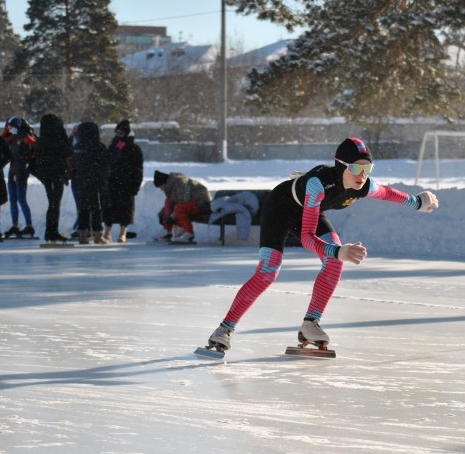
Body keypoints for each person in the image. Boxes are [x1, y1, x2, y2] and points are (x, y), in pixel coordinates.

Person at [203, 137, 439, 354]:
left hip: (310, 211)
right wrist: (338, 251)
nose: (362, 176)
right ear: (340, 166)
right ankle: (224, 329)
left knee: (335, 262)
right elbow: (307, 237)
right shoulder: (318, 184)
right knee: (268, 271)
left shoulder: (364, 185)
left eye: (367, 169)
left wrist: (417, 202)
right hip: (281, 208)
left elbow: (387, 193)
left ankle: (311, 324)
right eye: (355, 168)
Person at [103, 119, 144, 243]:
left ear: (126, 133)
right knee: (109, 209)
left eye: (121, 132)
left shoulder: (134, 148)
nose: (118, 134)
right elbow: (108, 163)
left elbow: (138, 169)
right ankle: (107, 233)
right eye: (117, 131)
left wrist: (135, 185)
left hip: (127, 184)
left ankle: (123, 233)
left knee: (125, 209)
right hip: (112, 183)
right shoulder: (113, 146)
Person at [36, 114, 73, 242]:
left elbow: (38, 160)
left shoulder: (41, 140)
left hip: (47, 175)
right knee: (55, 203)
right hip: (57, 175)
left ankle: (50, 231)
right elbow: (67, 151)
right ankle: (52, 231)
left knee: (52, 203)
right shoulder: (58, 139)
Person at [72, 121, 111, 244]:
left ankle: (82, 235)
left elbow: (72, 165)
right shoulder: (99, 146)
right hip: (96, 182)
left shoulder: (76, 147)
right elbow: (105, 165)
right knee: (96, 208)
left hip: (80, 182)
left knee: (82, 208)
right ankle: (97, 234)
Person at [2, 116, 37, 238]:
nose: (8, 129)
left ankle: (29, 225)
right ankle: (15, 225)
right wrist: (6, 131)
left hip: (21, 171)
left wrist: (29, 159)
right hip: (13, 170)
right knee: (12, 199)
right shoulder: (13, 136)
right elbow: (2, 141)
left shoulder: (24, 136)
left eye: (10, 126)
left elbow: (35, 144)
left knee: (21, 199)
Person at [154, 170, 212, 243]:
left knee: (179, 208)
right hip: (191, 204)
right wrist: (163, 214)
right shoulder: (172, 186)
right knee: (168, 202)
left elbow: (183, 202)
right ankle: (167, 231)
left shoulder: (181, 183)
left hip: (203, 204)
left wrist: (171, 217)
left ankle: (189, 233)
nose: (161, 189)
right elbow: (173, 203)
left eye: (160, 187)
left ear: (164, 183)